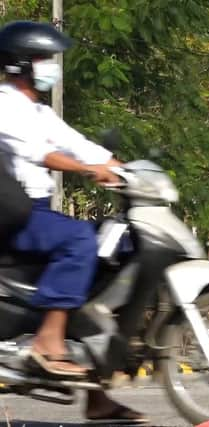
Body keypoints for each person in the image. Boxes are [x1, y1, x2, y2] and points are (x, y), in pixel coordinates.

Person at [0, 21, 147, 423]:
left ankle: (98, 398)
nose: (52, 66)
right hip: (18, 213)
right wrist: (87, 169)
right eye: (45, 58)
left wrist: (126, 169)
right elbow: (39, 154)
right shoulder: (5, 104)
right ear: (22, 64)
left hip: (37, 211)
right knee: (80, 240)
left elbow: (77, 143)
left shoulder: (37, 109)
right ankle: (48, 343)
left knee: (106, 261)